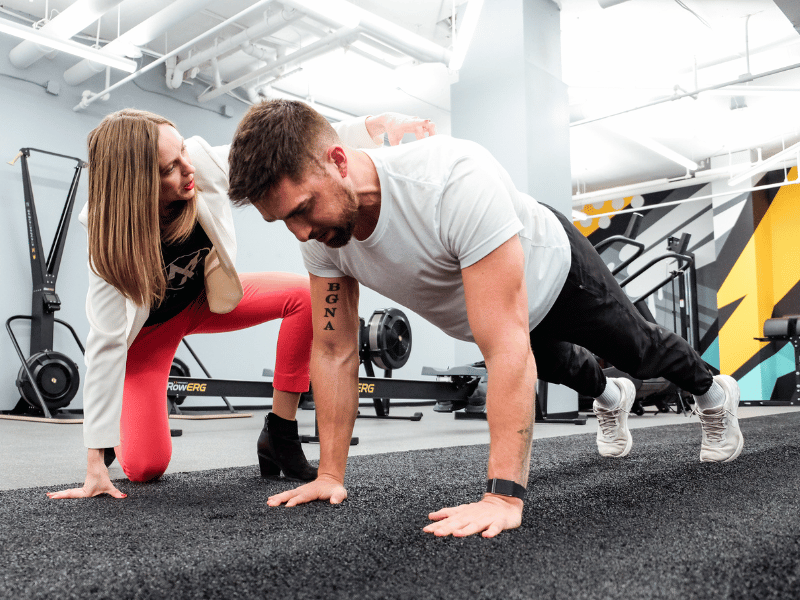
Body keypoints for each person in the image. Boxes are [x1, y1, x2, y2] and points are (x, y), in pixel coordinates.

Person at [225, 99, 744, 538]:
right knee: (564, 367)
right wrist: (328, 473)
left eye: (301, 209)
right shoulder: (323, 239)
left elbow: (505, 348)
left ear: (338, 161)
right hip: (501, 314)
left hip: (556, 270)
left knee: (640, 350)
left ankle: (714, 394)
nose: (298, 232)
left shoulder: (450, 180)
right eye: (282, 221)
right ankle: (612, 399)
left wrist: (503, 497)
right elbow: (334, 349)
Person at [47, 107, 436, 501]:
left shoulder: (199, 165)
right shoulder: (109, 241)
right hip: (148, 339)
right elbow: (104, 346)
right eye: (170, 168)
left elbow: (297, 147)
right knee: (146, 468)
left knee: (304, 296)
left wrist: (377, 127)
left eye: (183, 151)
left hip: (201, 301)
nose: (188, 168)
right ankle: (121, 431)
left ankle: (280, 433)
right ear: (138, 184)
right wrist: (95, 466)